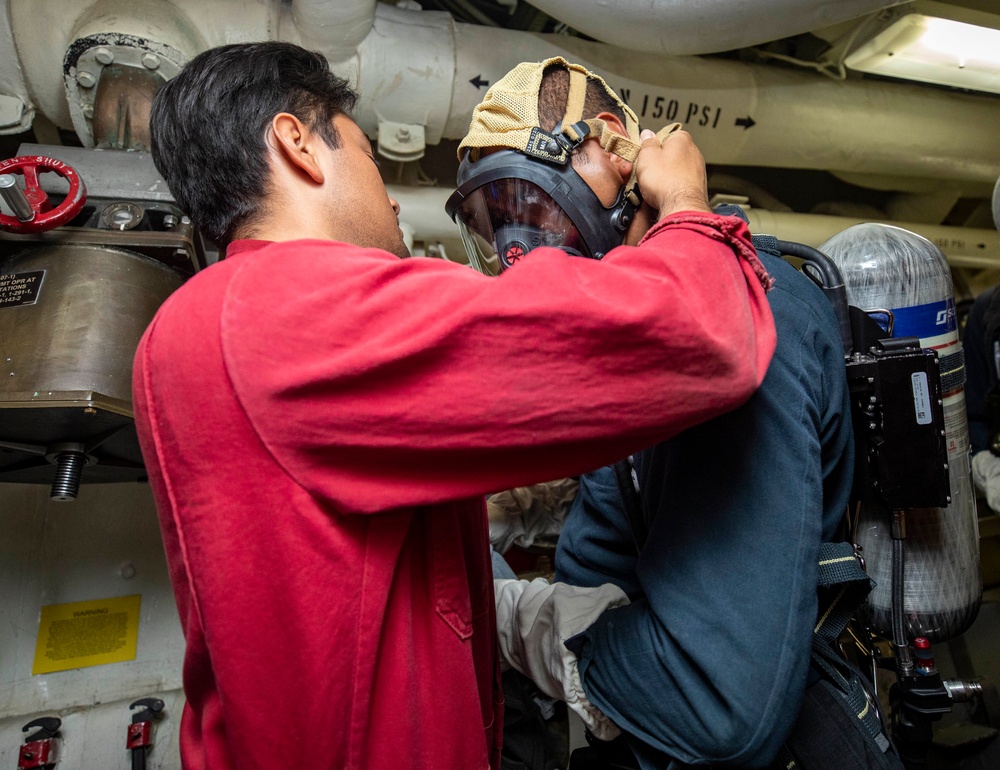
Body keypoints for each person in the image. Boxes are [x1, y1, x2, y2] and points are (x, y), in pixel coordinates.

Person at [134, 43, 777, 770]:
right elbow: (700, 337)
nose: (386, 193)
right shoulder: (285, 312)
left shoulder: (205, 323)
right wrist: (687, 208)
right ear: (298, 144)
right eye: (370, 155)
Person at [447, 59, 872, 767]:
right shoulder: (635, 342)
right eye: (494, 220)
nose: (516, 251)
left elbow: (716, 704)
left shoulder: (734, 325)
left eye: (532, 204)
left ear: (613, 151)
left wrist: (529, 625)